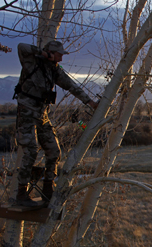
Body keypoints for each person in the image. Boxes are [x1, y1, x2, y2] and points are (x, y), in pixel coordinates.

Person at [13, 40, 99, 207]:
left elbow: (72, 86)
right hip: (27, 112)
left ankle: (48, 188)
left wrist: (91, 103)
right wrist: (43, 53)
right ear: (51, 52)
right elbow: (21, 47)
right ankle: (21, 194)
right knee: (30, 151)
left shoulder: (54, 70)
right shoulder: (32, 61)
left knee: (54, 151)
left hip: (42, 114)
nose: (61, 58)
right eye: (59, 54)